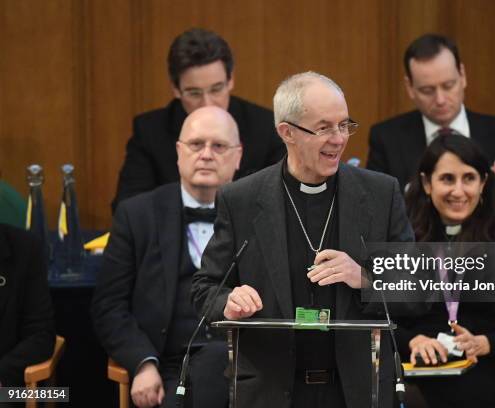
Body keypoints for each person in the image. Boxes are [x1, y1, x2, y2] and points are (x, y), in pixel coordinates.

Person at [191, 71, 414, 408]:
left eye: (344, 125)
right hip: (271, 392)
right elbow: (205, 288)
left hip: (357, 391)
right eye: (324, 128)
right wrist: (229, 301)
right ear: (287, 132)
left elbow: (417, 289)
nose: (339, 139)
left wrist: (364, 278)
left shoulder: (381, 194)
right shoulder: (241, 200)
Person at [92, 106, 242, 408]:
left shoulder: (260, 213)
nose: (206, 154)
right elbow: (109, 306)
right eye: (196, 144)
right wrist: (143, 363)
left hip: (246, 367)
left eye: (219, 146)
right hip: (171, 369)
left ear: (238, 156)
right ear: (178, 152)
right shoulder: (136, 215)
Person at [398, 134, 495, 407]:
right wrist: (413, 340)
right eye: (447, 179)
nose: (459, 191)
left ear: (484, 182)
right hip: (416, 361)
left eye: (469, 178)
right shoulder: (404, 239)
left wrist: (485, 343)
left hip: (480, 364)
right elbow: (385, 320)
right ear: (427, 183)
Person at [112, 27, 286, 213]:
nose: (207, 103)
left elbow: (283, 203)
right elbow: (127, 206)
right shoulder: (150, 131)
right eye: (194, 93)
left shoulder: (265, 127)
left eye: (216, 89)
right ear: (176, 89)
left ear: (231, 80)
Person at [367, 33, 495, 193]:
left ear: (462, 76)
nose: (440, 100)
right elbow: (374, 210)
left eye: (448, 86)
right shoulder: (387, 139)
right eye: (427, 90)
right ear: (409, 87)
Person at [0, 223, 55, 388]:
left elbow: (41, 335)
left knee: (60, 394)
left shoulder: (25, 247)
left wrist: (3, 374)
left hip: (9, 389)